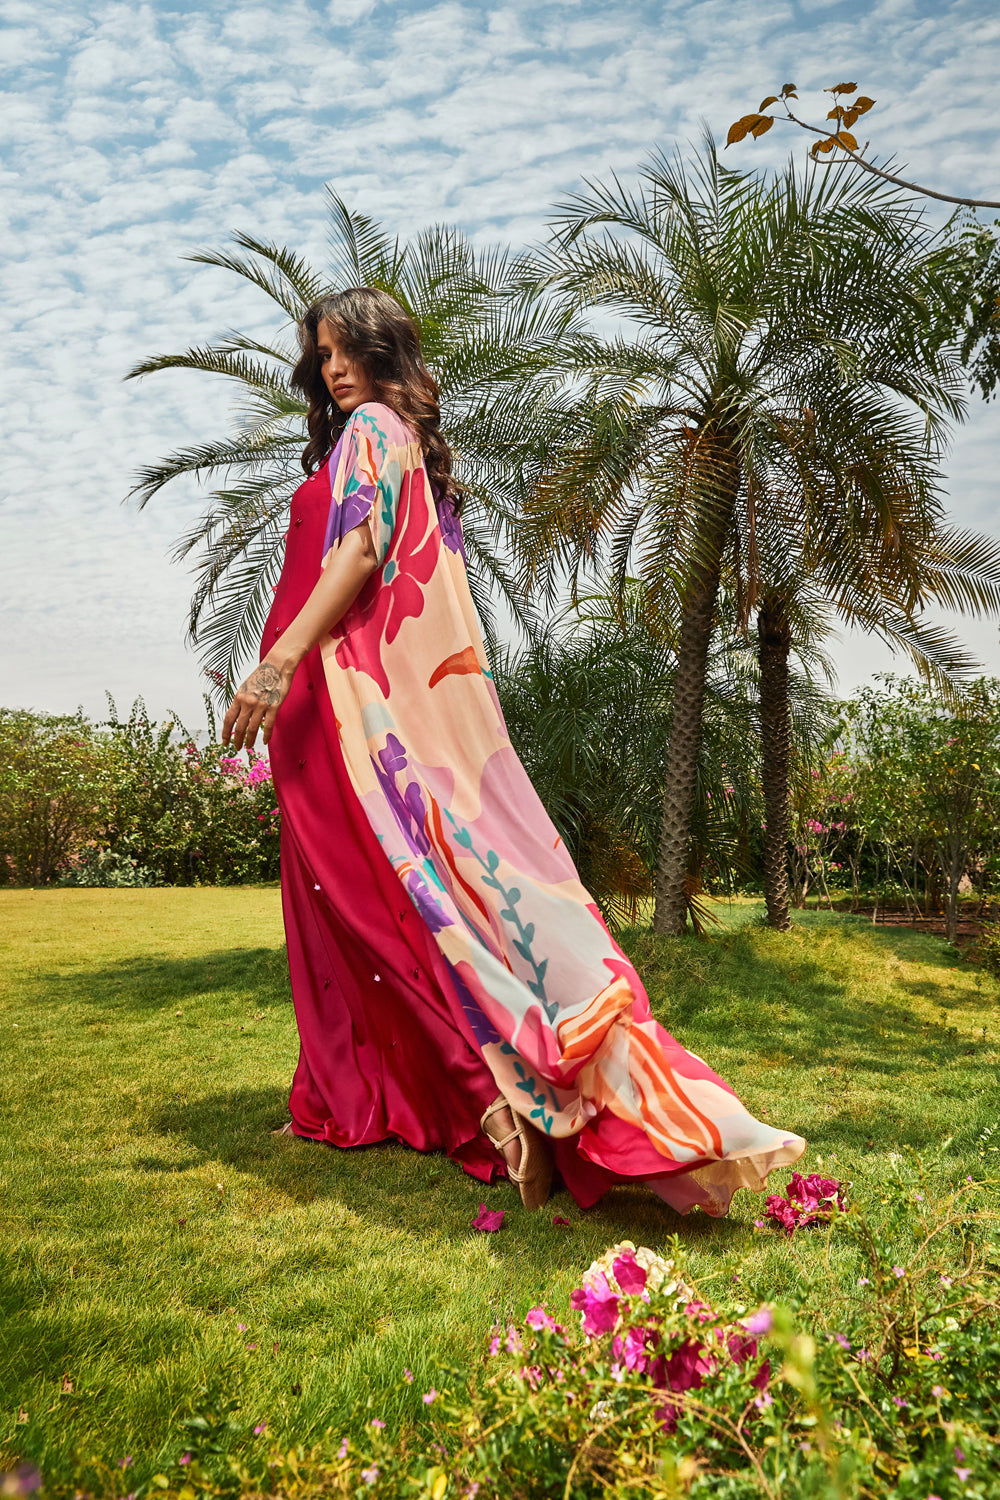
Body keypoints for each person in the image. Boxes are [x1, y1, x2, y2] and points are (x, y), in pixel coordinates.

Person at [222, 287, 806, 1215]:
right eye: (320, 354)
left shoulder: (374, 429)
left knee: (387, 911)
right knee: (361, 909)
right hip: (327, 709)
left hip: (342, 710)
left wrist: (277, 662)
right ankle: (392, 1095)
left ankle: (487, 1100)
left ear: (383, 352)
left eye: (345, 349)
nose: (332, 368)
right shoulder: (387, 440)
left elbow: (365, 551)